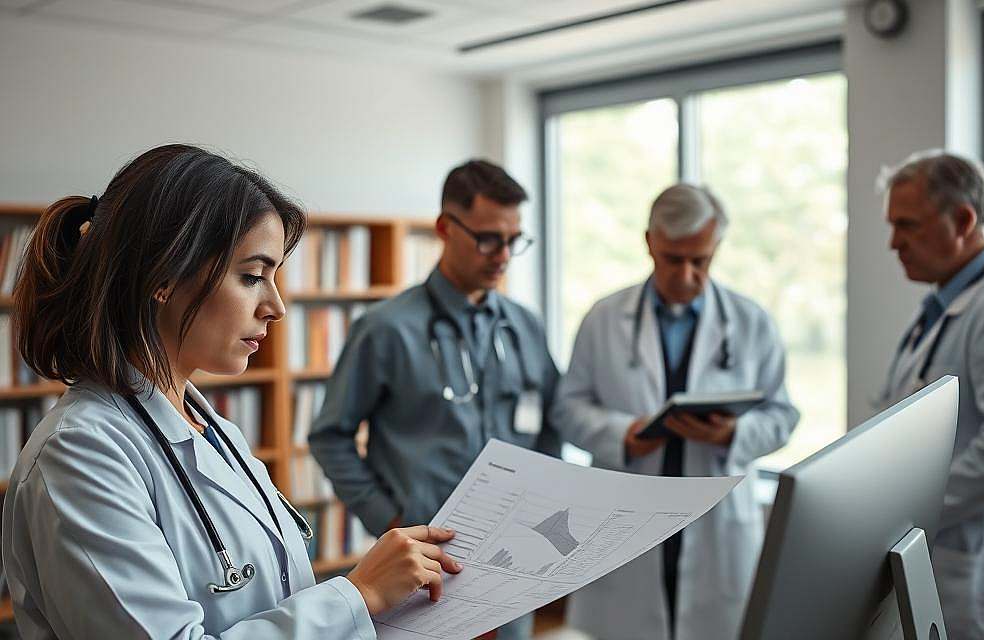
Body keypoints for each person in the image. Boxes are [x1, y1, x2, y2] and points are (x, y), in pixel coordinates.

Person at [1, 144, 463, 639]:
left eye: (274, 278)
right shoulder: (81, 453)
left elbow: (275, 603)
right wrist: (358, 594)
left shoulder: (213, 430)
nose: (277, 307)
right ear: (164, 276)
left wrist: (376, 601)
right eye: (251, 277)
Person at [309, 159, 560, 640]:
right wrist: (389, 520)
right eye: (489, 238)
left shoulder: (525, 326)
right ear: (445, 227)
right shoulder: (385, 329)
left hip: (513, 557)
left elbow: (552, 423)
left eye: (514, 241)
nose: (502, 255)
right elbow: (330, 437)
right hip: (423, 562)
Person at [551, 183, 799, 640]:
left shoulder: (751, 322)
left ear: (717, 247)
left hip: (714, 521)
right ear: (649, 243)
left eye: (700, 261)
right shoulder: (604, 318)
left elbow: (782, 415)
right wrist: (625, 433)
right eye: (673, 259)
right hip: (625, 519)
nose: (686, 275)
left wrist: (731, 434)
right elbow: (568, 409)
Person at [875, 150, 984, 640]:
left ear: (963, 219)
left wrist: (915, 503)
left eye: (908, 225)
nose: (894, 243)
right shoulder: (943, 306)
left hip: (969, 562)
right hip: (932, 546)